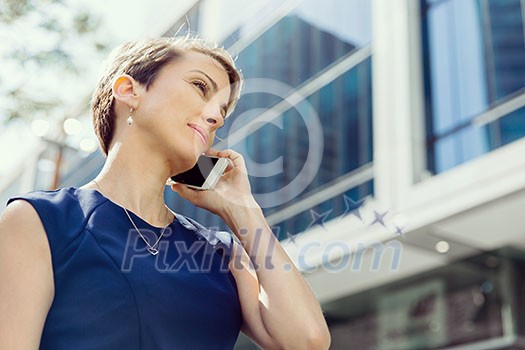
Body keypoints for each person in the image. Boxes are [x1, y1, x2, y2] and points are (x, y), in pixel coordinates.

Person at [0, 36, 331, 349]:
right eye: (201, 87)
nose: (216, 117)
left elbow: (308, 341)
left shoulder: (221, 254)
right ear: (129, 91)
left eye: (222, 113)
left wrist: (243, 210)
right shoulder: (41, 221)